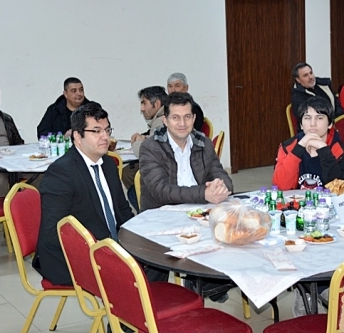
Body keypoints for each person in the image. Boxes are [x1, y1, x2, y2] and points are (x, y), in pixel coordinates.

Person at [139, 91, 232, 302]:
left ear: (194, 118)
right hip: (162, 219)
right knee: (151, 286)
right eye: (175, 117)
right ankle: (198, 286)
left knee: (236, 241)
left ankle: (208, 285)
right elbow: (161, 191)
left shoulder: (203, 142)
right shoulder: (151, 147)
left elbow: (224, 178)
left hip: (200, 217)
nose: (182, 123)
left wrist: (220, 186)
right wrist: (203, 193)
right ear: (165, 120)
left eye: (187, 117)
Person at [33, 103, 133, 286]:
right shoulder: (61, 173)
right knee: (134, 276)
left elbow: (122, 210)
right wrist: (104, 250)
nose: (105, 137)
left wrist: (136, 240)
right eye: (96, 131)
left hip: (109, 246)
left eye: (107, 130)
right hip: (75, 256)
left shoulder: (108, 165)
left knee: (155, 262)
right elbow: (55, 232)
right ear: (77, 136)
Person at [273, 97, 344, 190]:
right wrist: (298, 149)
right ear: (301, 125)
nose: (312, 123)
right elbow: (281, 186)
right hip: (297, 199)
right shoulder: (287, 147)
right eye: (307, 118)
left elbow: (340, 189)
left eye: (319, 118)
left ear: (330, 124)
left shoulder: (342, 152)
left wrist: (324, 150)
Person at [121, 86, 167, 211]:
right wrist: (145, 138)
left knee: (132, 191)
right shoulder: (163, 117)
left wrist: (137, 142)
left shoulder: (162, 121)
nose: (141, 109)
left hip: (164, 177)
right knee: (127, 172)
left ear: (157, 104)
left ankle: (150, 212)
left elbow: (144, 152)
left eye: (144, 103)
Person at [290, 62, 344, 130]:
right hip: (313, 130)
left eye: (311, 73)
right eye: (305, 75)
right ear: (298, 80)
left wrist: (338, 119)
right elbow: (308, 119)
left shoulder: (324, 85)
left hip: (334, 124)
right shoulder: (297, 97)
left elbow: (337, 104)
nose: (310, 77)